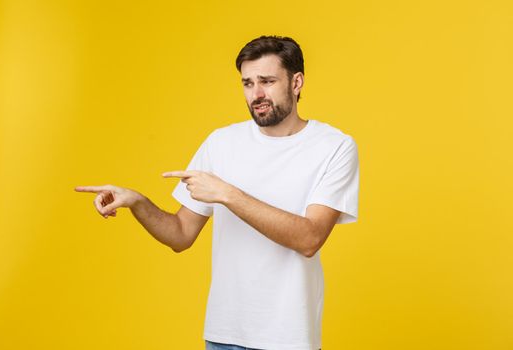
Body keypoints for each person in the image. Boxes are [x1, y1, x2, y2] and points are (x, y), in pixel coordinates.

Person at [75, 35, 359, 350]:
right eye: (248, 83)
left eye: (267, 81)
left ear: (296, 82)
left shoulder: (334, 146)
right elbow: (180, 235)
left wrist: (227, 194)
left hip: (288, 338)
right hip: (224, 336)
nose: (257, 94)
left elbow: (309, 239)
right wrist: (137, 202)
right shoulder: (221, 143)